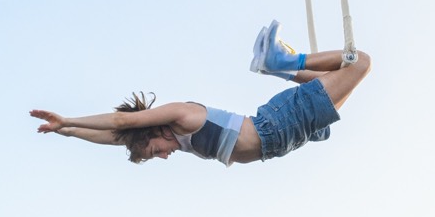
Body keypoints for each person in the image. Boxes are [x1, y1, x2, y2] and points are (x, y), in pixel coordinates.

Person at [31, 26, 371, 167]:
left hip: (276, 126)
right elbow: (116, 136)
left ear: (155, 131)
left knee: (359, 65)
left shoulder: (181, 116)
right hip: (283, 140)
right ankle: (279, 68)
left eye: (154, 152)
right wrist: (66, 132)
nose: (163, 157)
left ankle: (282, 62)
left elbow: (121, 122)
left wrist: (69, 117)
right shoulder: (174, 139)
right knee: (336, 88)